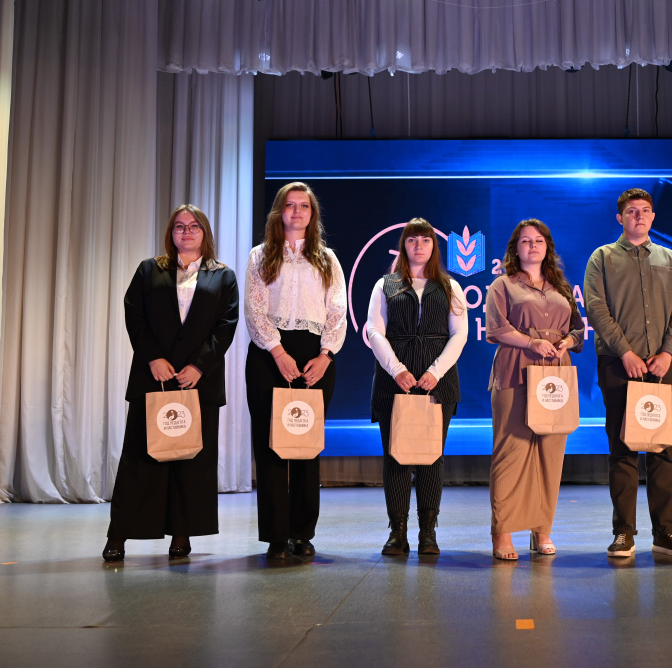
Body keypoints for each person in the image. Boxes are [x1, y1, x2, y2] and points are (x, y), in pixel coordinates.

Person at [104, 204, 239, 562]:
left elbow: (225, 327)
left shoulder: (223, 276)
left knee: (191, 464)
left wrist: (199, 367)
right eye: (179, 226)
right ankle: (118, 536)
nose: (186, 232)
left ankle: (182, 535)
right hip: (153, 379)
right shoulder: (149, 269)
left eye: (194, 226)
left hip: (198, 384)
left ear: (205, 233)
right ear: (171, 233)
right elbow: (135, 316)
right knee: (139, 461)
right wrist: (153, 357)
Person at [584, 188, 672, 558]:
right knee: (622, 450)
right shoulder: (602, 258)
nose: (639, 216)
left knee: (663, 450)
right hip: (618, 363)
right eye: (632, 211)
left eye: (645, 210)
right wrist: (626, 352)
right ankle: (623, 534)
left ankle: (665, 534)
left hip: (664, 364)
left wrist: (667, 353)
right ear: (620, 218)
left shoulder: (670, 259)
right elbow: (596, 308)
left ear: (653, 217)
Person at [245, 182, 347, 563]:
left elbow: (337, 311)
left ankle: (302, 533)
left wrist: (325, 355)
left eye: (304, 206)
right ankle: (276, 535)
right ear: (279, 211)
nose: (297, 212)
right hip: (268, 354)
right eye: (290, 205)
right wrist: (277, 351)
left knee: (305, 445)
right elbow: (254, 310)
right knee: (270, 444)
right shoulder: (260, 256)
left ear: (312, 214)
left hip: (314, 355)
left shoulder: (327, 259)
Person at [366, 218, 467, 556]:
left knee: (431, 459)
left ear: (433, 246)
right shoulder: (385, 284)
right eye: (412, 240)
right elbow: (374, 331)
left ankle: (428, 532)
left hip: (438, 384)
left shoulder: (450, 286)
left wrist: (435, 371)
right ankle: (397, 532)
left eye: (425, 240)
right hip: (393, 382)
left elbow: (460, 334)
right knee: (396, 457)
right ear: (403, 245)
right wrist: (397, 370)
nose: (419, 246)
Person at [486, 220, 585, 560]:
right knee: (511, 452)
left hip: (555, 372)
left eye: (538, 240)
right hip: (516, 370)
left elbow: (578, 330)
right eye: (525, 241)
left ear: (547, 247)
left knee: (550, 453)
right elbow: (496, 328)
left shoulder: (561, 286)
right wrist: (532, 342)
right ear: (515, 249)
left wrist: (567, 341)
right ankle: (502, 532)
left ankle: (542, 529)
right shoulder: (502, 285)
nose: (532, 245)